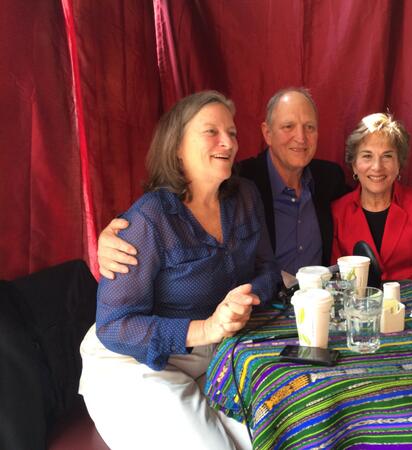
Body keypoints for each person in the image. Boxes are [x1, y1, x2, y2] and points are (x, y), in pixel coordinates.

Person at [79, 91, 279, 450]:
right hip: (133, 362)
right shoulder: (148, 219)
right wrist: (208, 327)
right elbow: (115, 326)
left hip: (211, 354)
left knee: (268, 438)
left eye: (232, 133)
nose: (228, 142)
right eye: (211, 131)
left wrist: (246, 298)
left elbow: (268, 268)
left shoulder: (246, 196)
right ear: (177, 148)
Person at [97, 88, 348, 277]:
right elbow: (169, 208)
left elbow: (361, 205)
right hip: (261, 309)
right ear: (267, 133)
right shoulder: (239, 179)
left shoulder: (329, 177)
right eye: (288, 126)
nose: (301, 137)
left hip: (317, 307)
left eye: (310, 127)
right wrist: (113, 236)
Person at [331, 112, 412, 282]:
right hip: (358, 300)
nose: (377, 167)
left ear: (399, 164)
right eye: (367, 156)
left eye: (387, 156)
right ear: (354, 165)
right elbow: (336, 279)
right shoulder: (337, 212)